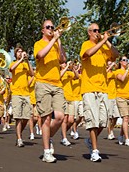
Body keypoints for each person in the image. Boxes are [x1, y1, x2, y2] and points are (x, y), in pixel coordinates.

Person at [80, 23, 119, 162]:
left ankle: (91, 141)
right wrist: (102, 41)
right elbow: (88, 54)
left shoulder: (103, 46)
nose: (98, 32)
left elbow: (115, 55)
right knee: (93, 122)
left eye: (98, 30)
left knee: (103, 122)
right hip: (89, 88)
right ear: (89, 32)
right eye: (95, 30)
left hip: (103, 88)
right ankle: (95, 151)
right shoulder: (86, 44)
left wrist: (107, 41)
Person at [34, 19, 67, 163]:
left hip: (57, 84)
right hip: (43, 83)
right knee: (46, 118)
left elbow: (63, 60)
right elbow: (40, 56)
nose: (51, 29)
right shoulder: (39, 44)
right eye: (48, 27)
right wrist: (53, 40)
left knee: (60, 117)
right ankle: (47, 152)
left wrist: (58, 42)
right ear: (42, 30)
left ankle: (49, 137)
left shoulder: (55, 44)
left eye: (53, 27)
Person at [9, 45, 34, 147]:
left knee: (27, 117)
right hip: (16, 93)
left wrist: (27, 61)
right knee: (18, 117)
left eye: (21, 51)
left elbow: (32, 74)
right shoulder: (14, 63)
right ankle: (19, 138)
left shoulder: (26, 64)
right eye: (18, 52)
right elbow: (11, 69)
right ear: (15, 54)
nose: (20, 53)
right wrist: (20, 60)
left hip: (26, 93)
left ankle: (19, 133)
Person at [115, 55, 129, 146]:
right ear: (120, 62)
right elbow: (122, 79)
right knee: (125, 118)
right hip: (121, 97)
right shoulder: (117, 71)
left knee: (126, 119)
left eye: (126, 60)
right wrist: (127, 70)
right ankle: (127, 139)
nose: (125, 61)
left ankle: (121, 135)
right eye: (123, 60)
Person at [60, 61, 79, 146]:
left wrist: (74, 69)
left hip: (71, 97)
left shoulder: (68, 73)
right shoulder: (59, 72)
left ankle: (63, 133)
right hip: (63, 97)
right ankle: (64, 137)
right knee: (65, 118)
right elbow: (59, 76)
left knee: (71, 120)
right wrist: (66, 66)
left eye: (65, 63)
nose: (65, 64)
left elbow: (77, 77)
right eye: (63, 63)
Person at [106, 61, 120, 140]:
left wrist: (116, 66)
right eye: (109, 64)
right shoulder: (105, 73)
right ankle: (109, 132)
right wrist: (110, 66)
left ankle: (111, 129)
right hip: (108, 96)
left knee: (116, 116)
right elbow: (105, 75)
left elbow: (118, 72)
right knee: (110, 117)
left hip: (115, 96)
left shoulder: (114, 73)